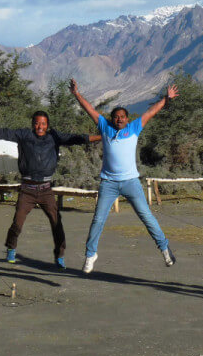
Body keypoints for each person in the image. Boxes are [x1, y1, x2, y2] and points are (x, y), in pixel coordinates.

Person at [70, 79, 178, 273]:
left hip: (131, 182)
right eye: (116, 117)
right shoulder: (105, 127)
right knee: (98, 219)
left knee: (146, 216)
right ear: (112, 119)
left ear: (127, 119)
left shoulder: (134, 128)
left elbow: (151, 112)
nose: (119, 119)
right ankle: (90, 254)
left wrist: (166, 99)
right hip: (109, 183)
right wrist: (77, 94)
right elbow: (90, 110)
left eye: (122, 117)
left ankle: (164, 249)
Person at [0, 112, 101, 270]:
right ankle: (11, 248)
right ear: (33, 124)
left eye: (44, 124)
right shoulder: (24, 135)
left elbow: (78, 138)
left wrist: (103, 136)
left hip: (46, 190)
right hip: (27, 190)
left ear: (48, 125)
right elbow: (2, 133)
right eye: (37, 123)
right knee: (17, 222)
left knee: (56, 222)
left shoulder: (54, 136)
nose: (40, 127)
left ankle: (60, 256)